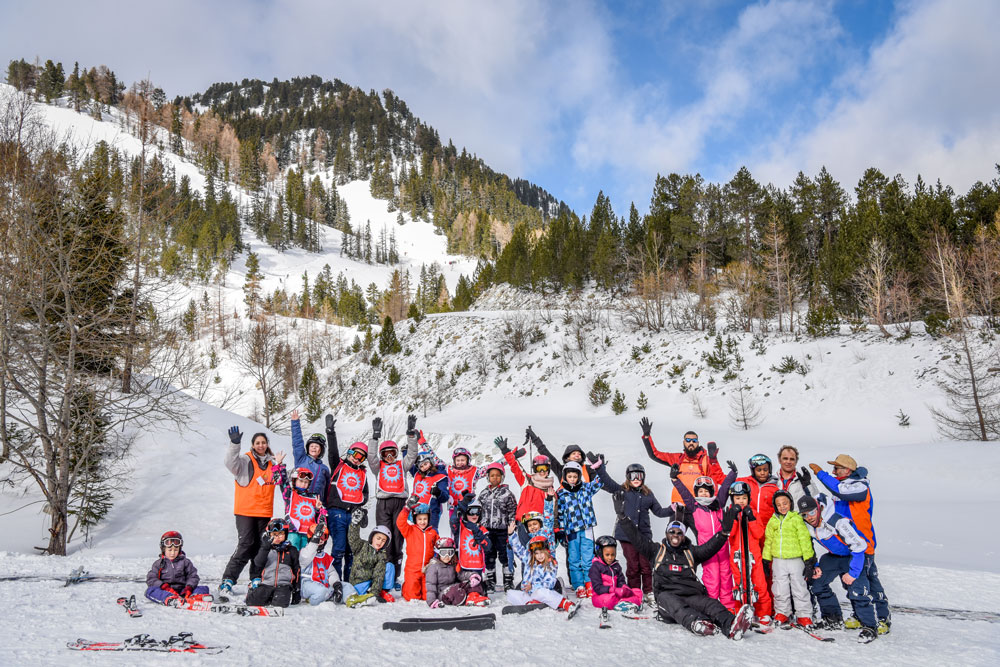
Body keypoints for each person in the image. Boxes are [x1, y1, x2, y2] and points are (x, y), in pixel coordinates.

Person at [615, 494, 752, 639]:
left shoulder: (691, 552)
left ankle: (732, 625)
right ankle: (697, 623)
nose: (675, 535)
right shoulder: (656, 550)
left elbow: (710, 547)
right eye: (672, 532)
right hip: (667, 600)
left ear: (684, 535)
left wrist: (724, 533)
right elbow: (637, 538)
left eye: (679, 533)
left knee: (710, 604)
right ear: (667, 533)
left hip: (691, 596)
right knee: (673, 602)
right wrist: (623, 518)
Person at [808, 453, 889, 633]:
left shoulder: (860, 486)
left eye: (836, 468)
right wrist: (809, 485)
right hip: (845, 544)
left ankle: (882, 618)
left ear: (847, 470)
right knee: (850, 583)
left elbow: (840, 490)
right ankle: (859, 616)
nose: (833, 471)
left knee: (869, 582)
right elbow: (824, 502)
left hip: (863, 542)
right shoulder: (843, 486)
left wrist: (821, 474)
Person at [589, 453, 673, 603]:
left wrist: (672, 509)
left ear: (643, 477)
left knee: (646, 565)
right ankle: (635, 591)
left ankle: (648, 591)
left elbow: (659, 512)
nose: (636, 479)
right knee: (633, 565)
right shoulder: (622, 490)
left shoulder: (648, 494)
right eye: (633, 476)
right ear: (628, 477)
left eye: (639, 476)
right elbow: (607, 481)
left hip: (644, 535)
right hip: (627, 535)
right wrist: (599, 467)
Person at [799, 494, 879, 643]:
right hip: (834, 556)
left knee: (857, 590)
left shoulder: (837, 521)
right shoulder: (808, 525)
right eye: (804, 514)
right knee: (817, 583)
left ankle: (869, 626)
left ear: (819, 508)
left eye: (812, 512)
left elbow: (859, 546)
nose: (809, 517)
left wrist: (853, 573)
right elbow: (808, 546)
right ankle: (832, 619)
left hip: (853, 556)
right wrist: (815, 565)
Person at [221, 426, 280, 597]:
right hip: (245, 510)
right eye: (257, 443)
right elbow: (230, 463)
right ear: (253, 445)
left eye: (263, 442)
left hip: (264, 512)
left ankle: (256, 578)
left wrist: (281, 466)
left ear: (267, 444)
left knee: (262, 546)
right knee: (246, 544)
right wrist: (234, 444)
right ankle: (228, 580)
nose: (261, 445)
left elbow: (280, 481)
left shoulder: (272, 463)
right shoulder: (245, 460)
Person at [671, 461, 737, 612]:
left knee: (726, 578)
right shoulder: (694, 506)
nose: (704, 494)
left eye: (707, 491)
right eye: (701, 491)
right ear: (696, 493)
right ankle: (712, 608)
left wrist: (733, 474)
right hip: (707, 550)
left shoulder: (718, 503)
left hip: (722, 548)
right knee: (712, 578)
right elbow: (684, 493)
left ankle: (728, 608)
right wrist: (675, 480)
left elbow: (725, 488)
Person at [367, 415, 419, 591]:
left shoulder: (401, 465)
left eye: (393, 453)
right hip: (383, 504)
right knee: (383, 540)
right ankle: (382, 575)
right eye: (386, 454)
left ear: (396, 454)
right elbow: (371, 456)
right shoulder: (378, 467)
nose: (389, 457)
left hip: (400, 503)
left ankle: (395, 576)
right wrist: (375, 436)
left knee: (398, 540)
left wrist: (411, 435)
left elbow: (412, 455)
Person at [323, 414, 369, 582]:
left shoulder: (362, 474)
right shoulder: (339, 465)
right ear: (350, 452)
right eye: (355, 454)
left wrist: (359, 505)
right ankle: (335, 582)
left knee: (351, 550)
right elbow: (333, 451)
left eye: (361, 457)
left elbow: (365, 495)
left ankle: (348, 581)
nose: (357, 459)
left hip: (352, 515)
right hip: (337, 513)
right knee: (339, 548)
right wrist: (330, 432)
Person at [761, 490, 815, 627]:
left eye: (785, 503)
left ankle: (804, 615)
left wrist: (809, 560)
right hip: (778, 560)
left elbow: (804, 539)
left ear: (790, 503)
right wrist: (766, 560)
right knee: (779, 587)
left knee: (799, 586)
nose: (782, 506)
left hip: (795, 559)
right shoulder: (773, 521)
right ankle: (782, 612)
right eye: (779, 505)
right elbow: (768, 541)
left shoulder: (796, 519)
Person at [639, 417, 724, 502]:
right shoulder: (678, 458)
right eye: (688, 440)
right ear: (684, 443)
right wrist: (647, 437)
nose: (691, 443)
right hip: (678, 506)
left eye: (694, 441)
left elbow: (717, 478)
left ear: (698, 443)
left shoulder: (706, 460)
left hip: (699, 507)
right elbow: (655, 455)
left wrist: (714, 461)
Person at [726, 481, 772, 626]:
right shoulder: (730, 512)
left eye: (744, 498)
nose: (741, 501)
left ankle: (763, 613)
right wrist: (733, 516)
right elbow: (730, 534)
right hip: (737, 556)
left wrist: (751, 517)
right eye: (738, 498)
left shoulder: (753, 512)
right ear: (733, 499)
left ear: (749, 498)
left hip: (753, 555)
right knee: (740, 585)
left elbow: (759, 534)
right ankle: (741, 612)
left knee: (759, 584)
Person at [555, 460, 603, 598]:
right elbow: (561, 513)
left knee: (588, 557)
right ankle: (578, 585)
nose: (572, 479)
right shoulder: (562, 493)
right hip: (572, 530)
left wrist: (599, 467)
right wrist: (562, 531)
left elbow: (600, 482)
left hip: (587, 528)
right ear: (565, 476)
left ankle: (589, 583)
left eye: (575, 477)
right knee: (574, 558)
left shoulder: (586, 488)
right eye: (569, 476)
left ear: (579, 477)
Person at [506, 532, 578, 616]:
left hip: (542, 591)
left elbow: (549, 584)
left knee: (540, 593)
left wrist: (532, 586)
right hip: (529, 593)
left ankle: (565, 603)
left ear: (546, 551)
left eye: (541, 552)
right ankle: (533, 602)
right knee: (510, 594)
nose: (539, 556)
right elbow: (519, 550)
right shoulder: (529, 560)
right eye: (536, 553)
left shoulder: (550, 564)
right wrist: (511, 534)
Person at [477, 461, 518, 592]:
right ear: (488, 477)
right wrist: (479, 525)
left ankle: (508, 580)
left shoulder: (507, 493)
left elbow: (512, 511)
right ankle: (490, 580)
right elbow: (479, 511)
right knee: (489, 554)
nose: (495, 478)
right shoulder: (483, 494)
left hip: (502, 530)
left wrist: (511, 527)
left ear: (502, 477)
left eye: (498, 475)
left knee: (505, 555)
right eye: (492, 475)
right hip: (487, 530)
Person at [343, 510, 396, 607]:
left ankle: (381, 591)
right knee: (361, 589)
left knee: (389, 566)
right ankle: (367, 594)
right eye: (378, 538)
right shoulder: (361, 546)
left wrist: (375, 593)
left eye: (383, 540)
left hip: (371, 584)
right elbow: (353, 538)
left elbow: (378, 575)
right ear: (372, 537)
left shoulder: (381, 555)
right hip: (359, 584)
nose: (380, 542)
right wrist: (354, 524)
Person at [495, 434, 553, 519]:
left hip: (541, 526)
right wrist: (505, 451)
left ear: (548, 470)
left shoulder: (550, 490)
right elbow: (516, 467)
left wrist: (556, 529)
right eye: (539, 468)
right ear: (535, 469)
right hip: (523, 522)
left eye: (544, 468)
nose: (542, 471)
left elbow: (553, 511)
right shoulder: (527, 480)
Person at [145, 531, 211, 606]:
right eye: (170, 550)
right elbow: (151, 578)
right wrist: (163, 586)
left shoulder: (185, 562)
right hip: (166, 591)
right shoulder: (158, 564)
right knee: (150, 591)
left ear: (179, 550)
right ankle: (171, 600)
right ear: (163, 549)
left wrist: (189, 588)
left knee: (203, 588)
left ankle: (195, 598)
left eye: (176, 550)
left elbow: (193, 576)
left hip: (183, 590)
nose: (173, 553)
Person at [246, 518, 300, 608]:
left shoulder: (291, 550)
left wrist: (296, 590)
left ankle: (273, 598)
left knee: (280, 604)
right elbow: (257, 564)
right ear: (269, 535)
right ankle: (256, 593)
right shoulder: (265, 549)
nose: (277, 537)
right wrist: (265, 548)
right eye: (274, 535)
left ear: (286, 534)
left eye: (281, 534)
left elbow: (297, 570)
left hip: (284, 585)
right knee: (252, 602)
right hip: (266, 583)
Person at [271, 463, 326, 551]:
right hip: (293, 531)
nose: (303, 484)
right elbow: (283, 482)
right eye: (301, 481)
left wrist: (318, 509)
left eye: (306, 482)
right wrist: (280, 466)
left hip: (308, 533)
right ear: (294, 481)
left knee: (306, 557)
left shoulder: (314, 497)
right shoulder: (290, 494)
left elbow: (319, 519)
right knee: (292, 553)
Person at [449, 493, 491, 606]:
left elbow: (488, 546)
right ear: (465, 513)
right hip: (463, 566)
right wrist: (462, 505)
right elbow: (453, 520)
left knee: (476, 584)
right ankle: (467, 597)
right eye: (471, 512)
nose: (474, 515)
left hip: (477, 566)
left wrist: (477, 533)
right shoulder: (460, 528)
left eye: (477, 512)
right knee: (464, 585)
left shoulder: (482, 529)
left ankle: (474, 596)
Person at [395, 498, 439, 601]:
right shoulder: (410, 530)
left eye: (425, 519)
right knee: (412, 597)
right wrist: (406, 509)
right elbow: (400, 522)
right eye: (420, 519)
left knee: (427, 596)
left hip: (427, 570)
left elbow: (438, 546)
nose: (422, 522)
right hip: (413, 569)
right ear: (415, 519)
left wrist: (436, 558)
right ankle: (406, 587)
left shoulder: (432, 533)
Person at [589, 535, 643, 613]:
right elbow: (597, 588)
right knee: (609, 599)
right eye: (607, 555)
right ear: (600, 553)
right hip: (601, 596)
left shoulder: (616, 566)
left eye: (613, 554)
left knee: (637, 592)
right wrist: (612, 590)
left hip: (616, 593)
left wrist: (624, 588)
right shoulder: (596, 567)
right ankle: (625, 604)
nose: (610, 558)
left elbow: (621, 580)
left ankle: (626, 603)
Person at [299, 516, 343, 605]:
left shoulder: (325, 557)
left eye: (323, 537)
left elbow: (331, 573)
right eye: (318, 536)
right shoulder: (305, 552)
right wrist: (315, 540)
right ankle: (314, 598)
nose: (320, 539)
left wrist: (336, 584)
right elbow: (305, 558)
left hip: (323, 584)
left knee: (345, 586)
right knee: (322, 591)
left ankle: (351, 597)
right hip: (307, 585)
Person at [289, 409, 331, 503]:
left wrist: (325, 505)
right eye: (311, 446)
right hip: (299, 500)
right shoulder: (301, 459)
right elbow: (297, 443)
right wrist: (295, 423)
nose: (313, 448)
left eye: (317, 446)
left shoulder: (324, 469)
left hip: (316, 503)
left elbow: (327, 489)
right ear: (308, 448)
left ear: (321, 450)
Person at [409, 442, 450, 532]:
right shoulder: (418, 474)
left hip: (432, 512)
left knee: (431, 534)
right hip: (415, 512)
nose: (424, 467)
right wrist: (405, 451)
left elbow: (445, 497)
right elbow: (408, 464)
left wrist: (438, 492)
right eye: (421, 466)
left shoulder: (440, 476)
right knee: (414, 536)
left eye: (426, 463)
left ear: (431, 462)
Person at [425, 537, 479, 607]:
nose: (447, 556)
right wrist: (432, 601)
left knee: (473, 584)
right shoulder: (433, 567)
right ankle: (467, 598)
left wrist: (472, 576)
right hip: (443, 594)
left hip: (454, 588)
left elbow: (461, 575)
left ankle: (474, 597)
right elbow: (431, 587)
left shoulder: (453, 564)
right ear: (438, 553)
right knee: (454, 592)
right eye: (443, 553)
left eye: (450, 552)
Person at [528, 427, 595, 482]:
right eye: (573, 453)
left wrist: (600, 468)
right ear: (567, 457)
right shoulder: (561, 470)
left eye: (579, 454)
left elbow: (604, 485)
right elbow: (547, 454)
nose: (577, 455)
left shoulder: (588, 469)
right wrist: (535, 440)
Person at [737, 454, 779, 536]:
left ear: (769, 470)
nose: (762, 473)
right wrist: (714, 462)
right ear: (753, 471)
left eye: (765, 470)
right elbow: (723, 481)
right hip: (749, 529)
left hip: (768, 531)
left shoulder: (775, 488)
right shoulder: (745, 483)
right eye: (759, 470)